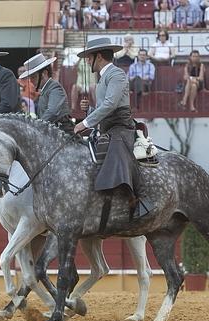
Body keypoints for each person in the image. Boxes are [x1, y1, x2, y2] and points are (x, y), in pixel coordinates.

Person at [74, 38, 153, 218]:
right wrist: (90, 110)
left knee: (116, 149)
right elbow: (105, 107)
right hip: (107, 126)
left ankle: (136, 199)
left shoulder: (116, 74)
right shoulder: (103, 78)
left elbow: (110, 105)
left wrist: (85, 123)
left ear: (99, 57)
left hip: (121, 126)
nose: (86, 61)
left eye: (89, 57)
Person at [18, 53, 70, 131]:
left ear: (44, 74)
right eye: (30, 77)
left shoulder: (54, 87)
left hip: (63, 133)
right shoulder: (45, 89)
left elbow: (52, 112)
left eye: (33, 77)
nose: (31, 81)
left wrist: (36, 126)